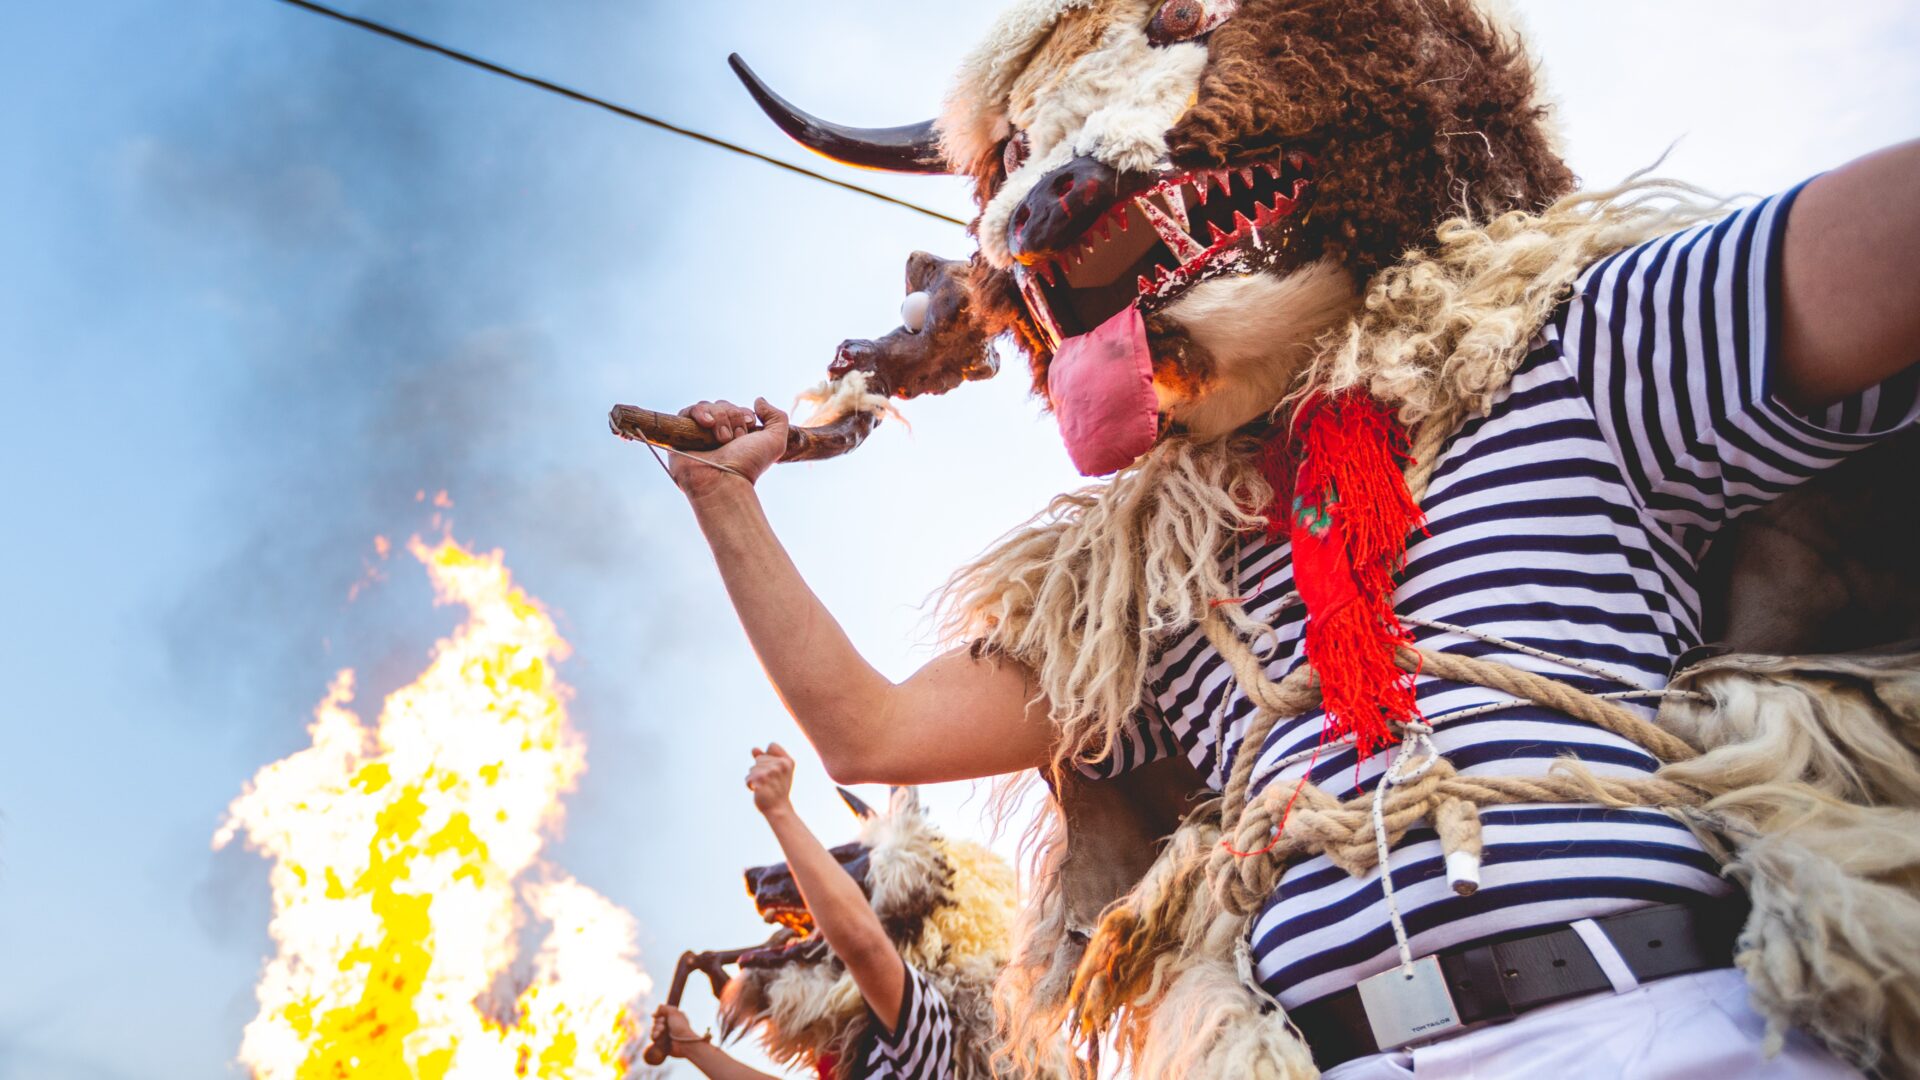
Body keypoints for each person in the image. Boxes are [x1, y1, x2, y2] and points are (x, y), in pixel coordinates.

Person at [656, 2, 1920, 1075]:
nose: (1054, 201)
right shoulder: (1142, 580)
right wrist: (727, 500)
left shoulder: (1575, 346)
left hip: (1658, 1024)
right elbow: (871, 734)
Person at [650, 745, 957, 1080]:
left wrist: (779, 810)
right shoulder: (872, 1059)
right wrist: (691, 1045)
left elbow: (862, 944)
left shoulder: (929, 1035)